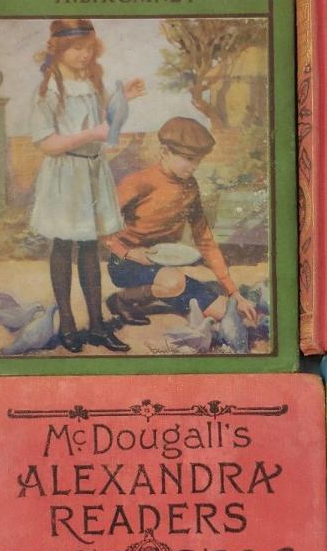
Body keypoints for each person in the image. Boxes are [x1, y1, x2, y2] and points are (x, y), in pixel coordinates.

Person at [27, 19, 145, 353]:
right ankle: (67, 324)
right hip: (66, 176)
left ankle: (96, 324)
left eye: (89, 48)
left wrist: (123, 98)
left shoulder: (91, 82)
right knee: (64, 245)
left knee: (91, 247)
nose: (84, 54)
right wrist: (90, 135)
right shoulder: (49, 90)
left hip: (92, 172)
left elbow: (105, 122)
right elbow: (47, 143)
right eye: (77, 48)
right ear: (59, 49)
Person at [103, 117, 258, 329]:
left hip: (163, 266)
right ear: (165, 152)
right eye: (189, 159)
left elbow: (204, 239)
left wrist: (235, 293)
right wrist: (128, 253)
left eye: (198, 160)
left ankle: (158, 291)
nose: (195, 166)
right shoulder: (138, 182)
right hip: (126, 263)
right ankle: (121, 299)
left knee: (229, 313)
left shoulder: (190, 187)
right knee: (173, 282)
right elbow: (100, 227)